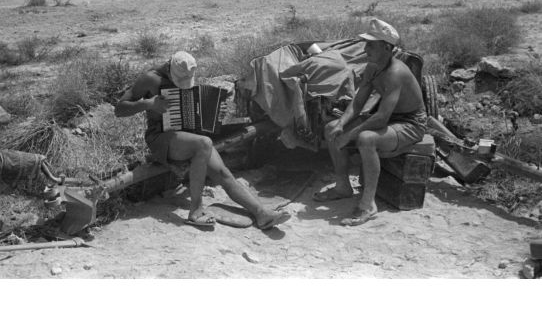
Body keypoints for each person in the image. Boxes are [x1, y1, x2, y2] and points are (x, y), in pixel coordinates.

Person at [114, 51, 290, 230]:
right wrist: (148, 104)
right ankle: (195, 211)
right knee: (204, 143)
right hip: (160, 138)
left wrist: (215, 117)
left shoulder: (187, 75)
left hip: (186, 139)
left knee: (223, 173)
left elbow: (193, 120)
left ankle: (261, 213)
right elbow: (119, 109)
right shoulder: (150, 79)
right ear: (170, 69)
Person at [313, 18, 427, 226]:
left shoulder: (396, 73)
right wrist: (341, 125)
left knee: (366, 139)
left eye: (371, 45)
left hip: (411, 124)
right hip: (390, 118)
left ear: (386, 47)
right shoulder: (373, 67)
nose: (366, 49)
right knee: (331, 129)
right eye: (366, 43)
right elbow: (358, 101)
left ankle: (367, 205)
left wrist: (350, 133)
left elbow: (381, 118)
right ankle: (342, 187)